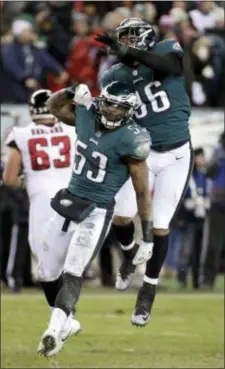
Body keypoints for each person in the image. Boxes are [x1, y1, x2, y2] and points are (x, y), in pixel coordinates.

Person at [36, 81, 152, 357]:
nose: (112, 111)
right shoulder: (87, 115)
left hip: (97, 210)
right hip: (68, 201)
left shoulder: (132, 138)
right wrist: (71, 90)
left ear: (130, 111)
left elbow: (142, 191)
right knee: (44, 272)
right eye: (110, 103)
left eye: (120, 107)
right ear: (102, 101)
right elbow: (53, 106)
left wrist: (146, 235)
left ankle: (54, 329)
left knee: (73, 272)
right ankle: (68, 321)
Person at [96, 17, 193, 326]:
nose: (124, 44)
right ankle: (128, 254)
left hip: (177, 153)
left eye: (130, 38)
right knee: (121, 215)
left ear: (145, 37)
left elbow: (169, 67)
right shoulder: (117, 75)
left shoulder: (166, 50)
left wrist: (132, 54)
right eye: (121, 40)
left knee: (161, 225)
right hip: (144, 153)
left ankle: (147, 292)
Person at [3, 89, 81, 345]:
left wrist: (29, 181)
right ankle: (66, 319)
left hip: (43, 204)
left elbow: (10, 179)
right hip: (74, 200)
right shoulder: (72, 130)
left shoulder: (21, 134)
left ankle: (65, 321)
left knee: (47, 269)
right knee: (69, 263)